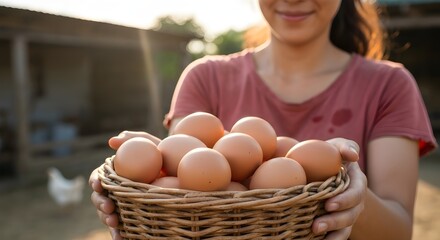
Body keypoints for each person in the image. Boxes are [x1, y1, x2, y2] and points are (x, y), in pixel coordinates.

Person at [89, 0, 438, 239]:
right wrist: (139, 167)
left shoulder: (389, 85)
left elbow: (397, 231)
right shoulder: (205, 77)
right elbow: (183, 177)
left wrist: (355, 200)